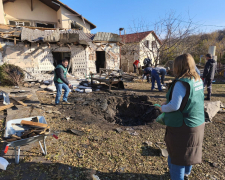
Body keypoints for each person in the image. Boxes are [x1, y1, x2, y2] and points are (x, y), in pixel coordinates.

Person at [159, 53, 205, 180]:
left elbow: (174, 106)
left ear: (178, 66)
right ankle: (186, 175)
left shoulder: (181, 83)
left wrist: (162, 108)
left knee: (177, 156)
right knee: (189, 152)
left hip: (183, 126)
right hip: (198, 122)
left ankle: (179, 177)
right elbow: (189, 99)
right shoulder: (198, 80)